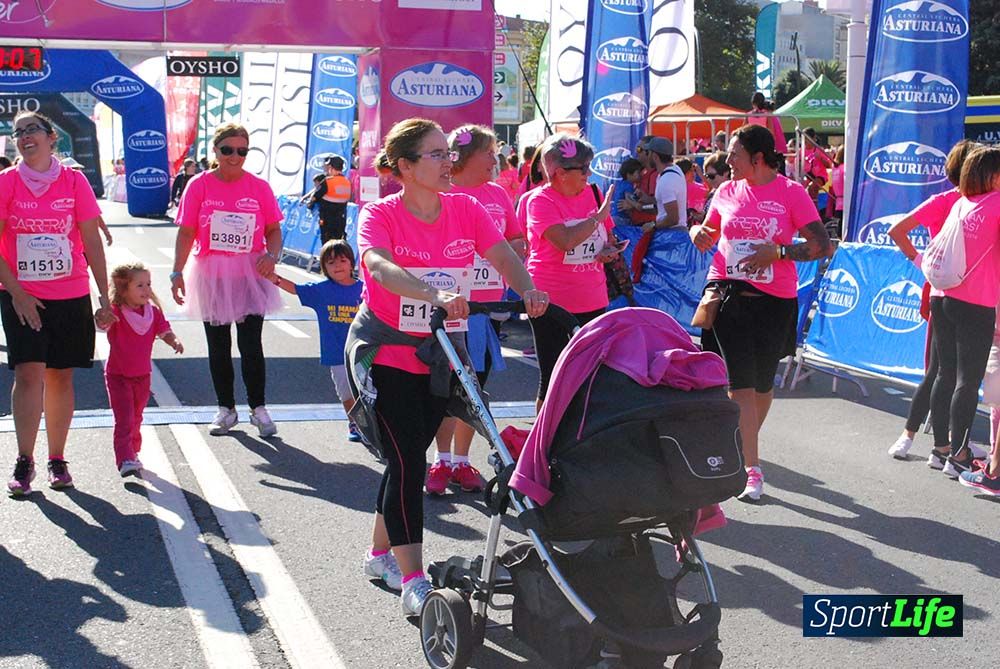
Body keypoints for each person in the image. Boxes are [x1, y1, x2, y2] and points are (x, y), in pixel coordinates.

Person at [352, 118, 548, 616]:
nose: (448, 163)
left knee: (409, 454)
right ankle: (413, 579)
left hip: (442, 353)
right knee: (408, 461)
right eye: (436, 155)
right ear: (405, 166)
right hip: (389, 353)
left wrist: (527, 287)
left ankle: (380, 555)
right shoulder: (379, 214)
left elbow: (501, 251)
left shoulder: (466, 208)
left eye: (448, 154)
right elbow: (379, 267)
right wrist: (431, 292)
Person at [689, 124, 832, 501]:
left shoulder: (791, 193)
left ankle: (742, 440)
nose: (726, 161)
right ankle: (751, 468)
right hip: (727, 291)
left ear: (757, 158)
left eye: (734, 155)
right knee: (741, 385)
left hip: (775, 299)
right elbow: (708, 228)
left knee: (764, 384)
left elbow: (822, 245)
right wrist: (697, 233)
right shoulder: (725, 190)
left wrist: (780, 252)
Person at [1, 110, 116, 495]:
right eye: (19, 133)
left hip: (69, 293)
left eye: (33, 129)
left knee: (60, 375)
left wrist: (104, 295)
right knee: (28, 373)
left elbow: (90, 241)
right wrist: (18, 293)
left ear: (53, 138)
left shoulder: (73, 181)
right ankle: (24, 459)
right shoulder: (6, 184)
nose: (25, 136)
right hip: (20, 295)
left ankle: (57, 458)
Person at [427, 124, 527, 496]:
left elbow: (515, 237)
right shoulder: (441, 193)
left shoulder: (499, 195)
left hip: (485, 307)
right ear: (467, 157)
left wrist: (517, 249)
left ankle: (462, 461)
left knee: (474, 388)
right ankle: (442, 459)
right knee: (446, 387)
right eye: (490, 152)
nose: (496, 159)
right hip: (451, 305)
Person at [171, 122, 284, 438]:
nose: (235, 157)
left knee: (251, 346)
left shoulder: (259, 187)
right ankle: (226, 409)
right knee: (218, 346)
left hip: (250, 273)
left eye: (242, 151)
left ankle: (258, 409)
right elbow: (186, 232)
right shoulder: (199, 185)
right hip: (211, 274)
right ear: (216, 151)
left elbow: (274, 230)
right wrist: (176, 272)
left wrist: (271, 256)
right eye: (228, 150)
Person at [905, 147, 1000, 480]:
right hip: (977, 301)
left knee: (944, 373)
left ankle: (942, 448)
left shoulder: (961, 203)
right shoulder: (997, 204)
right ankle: (959, 453)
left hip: (942, 296)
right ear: (993, 175)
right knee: (967, 380)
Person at [887, 139, 980, 461]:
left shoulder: (972, 202)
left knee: (949, 370)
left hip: (959, 291)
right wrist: (921, 262)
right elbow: (897, 230)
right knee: (942, 369)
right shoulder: (950, 201)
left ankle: (947, 443)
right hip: (948, 291)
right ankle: (916, 436)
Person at [525, 133, 621, 410]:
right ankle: (543, 444)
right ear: (560, 173)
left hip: (592, 297)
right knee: (553, 374)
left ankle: (579, 440)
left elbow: (607, 237)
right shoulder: (540, 201)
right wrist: (596, 219)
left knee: (591, 375)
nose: (589, 174)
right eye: (584, 168)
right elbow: (564, 240)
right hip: (550, 300)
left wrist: (607, 251)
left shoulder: (593, 192)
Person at [269, 239, 363, 442]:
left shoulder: (365, 290)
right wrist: (273, 278)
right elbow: (295, 289)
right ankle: (354, 423)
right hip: (336, 353)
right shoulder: (321, 290)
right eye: (331, 263)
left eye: (342, 260)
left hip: (364, 352)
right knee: (346, 392)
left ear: (351, 263)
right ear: (324, 267)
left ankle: (372, 424)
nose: (337, 266)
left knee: (367, 390)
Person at [101, 263, 183, 478]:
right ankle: (125, 457)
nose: (146, 290)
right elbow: (102, 325)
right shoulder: (116, 312)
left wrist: (173, 341)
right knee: (124, 418)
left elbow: (164, 330)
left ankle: (133, 451)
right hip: (118, 376)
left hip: (142, 376)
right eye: (139, 285)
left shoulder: (152, 313)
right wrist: (102, 317)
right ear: (122, 289)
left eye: (148, 284)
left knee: (137, 417)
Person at [311, 156, 352, 244]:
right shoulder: (347, 182)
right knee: (339, 243)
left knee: (327, 244)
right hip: (341, 220)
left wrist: (310, 204)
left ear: (331, 168)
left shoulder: (328, 181)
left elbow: (315, 197)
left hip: (327, 220)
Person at [747, 92, 787, 159]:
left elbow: (743, 129)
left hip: (753, 143)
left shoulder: (748, 115)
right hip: (764, 143)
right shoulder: (767, 115)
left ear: (753, 103)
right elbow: (771, 133)